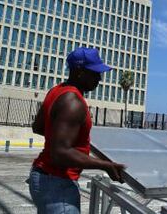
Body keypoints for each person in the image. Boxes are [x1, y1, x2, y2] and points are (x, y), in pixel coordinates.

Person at [29, 47, 125, 213]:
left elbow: (37, 127)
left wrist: (63, 137)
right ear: (79, 72)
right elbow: (60, 154)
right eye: (95, 73)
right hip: (58, 186)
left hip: (43, 177)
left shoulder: (57, 91)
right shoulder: (73, 103)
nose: (99, 79)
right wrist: (106, 165)